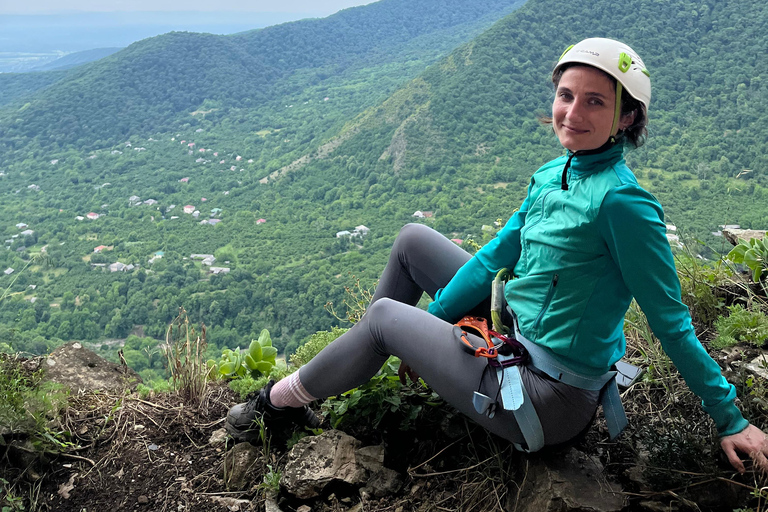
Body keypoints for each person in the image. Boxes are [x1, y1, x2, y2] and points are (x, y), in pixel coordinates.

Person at [227, 38, 768, 473]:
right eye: (566, 95)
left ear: (626, 118)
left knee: (385, 317)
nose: (572, 112)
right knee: (413, 240)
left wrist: (729, 418)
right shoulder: (552, 178)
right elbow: (490, 261)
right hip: (517, 339)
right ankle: (367, 364)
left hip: (547, 395)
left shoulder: (624, 205)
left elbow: (672, 324)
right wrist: (433, 329)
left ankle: (274, 406)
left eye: (596, 101)